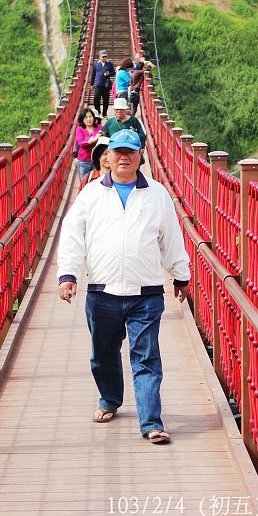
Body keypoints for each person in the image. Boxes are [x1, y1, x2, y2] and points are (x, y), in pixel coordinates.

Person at [57, 129, 191, 444]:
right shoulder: (90, 194)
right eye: (118, 151)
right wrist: (68, 275)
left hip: (146, 294)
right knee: (103, 354)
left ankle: (151, 422)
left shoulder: (157, 194)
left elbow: (170, 237)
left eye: (130, 152)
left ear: (140, 155)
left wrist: (181, 276)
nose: (124, 157)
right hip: (102, 292)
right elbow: (73, 235)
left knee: (145, 357)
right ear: (108, 155)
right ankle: (110, 398)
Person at [75, 108, 103, 181]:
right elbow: (81, 143)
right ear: (82, 120)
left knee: (97, 182)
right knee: (84, 182)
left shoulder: (100, 128)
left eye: (90, 116)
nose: (88, 119)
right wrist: (95, 139)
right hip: (84, 160)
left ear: (94, 117)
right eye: (86, 117)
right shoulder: (80, 129)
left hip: (97, 159)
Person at [91, 50, 114, 118]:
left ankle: (104, 114)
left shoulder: (109, 64)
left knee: (106, 99)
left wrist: (109, 74)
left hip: (106, 85)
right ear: (99, 57)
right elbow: (93, 74)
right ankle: (98, 111)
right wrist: (92, 84)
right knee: (96, 98)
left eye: (105, 56)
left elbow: (113, 72)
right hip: (98, 84)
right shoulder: (96, 64)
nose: (104, 58)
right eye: (103, 56)